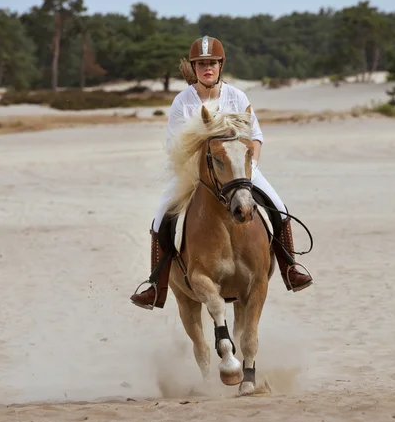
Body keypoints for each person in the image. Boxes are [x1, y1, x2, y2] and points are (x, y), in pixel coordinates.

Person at [130, 35, 313, 310]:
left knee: (278, 207)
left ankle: (291, 269)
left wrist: (250, 169)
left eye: (212, 63)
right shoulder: (183, 101)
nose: (207, 68)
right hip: (195, 174)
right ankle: (156, 286)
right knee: (161, 217)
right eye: (201, 64)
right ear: (194, 67)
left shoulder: (237, 96)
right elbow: (174, 145)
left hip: (241, 171)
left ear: (220, 65)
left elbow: (255, 136)